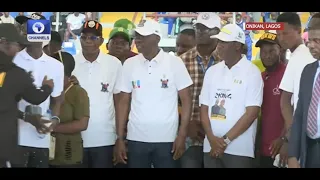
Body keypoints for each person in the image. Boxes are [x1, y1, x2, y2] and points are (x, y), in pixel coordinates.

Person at [115, 19, 193, 168]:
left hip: (167, 139)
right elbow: (123, 102)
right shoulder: (129, 64)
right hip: (136, 138)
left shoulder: (175, 63)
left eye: (142, 36)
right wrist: (119, 138)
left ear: (157, 38)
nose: (137, 40)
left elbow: (187, 101)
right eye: (136, 36)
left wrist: (182, 135)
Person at [200, 24, 263, 168]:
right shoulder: (212, 71)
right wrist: (211, 139)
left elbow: (252, 113)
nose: (219, 46)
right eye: (219, 42)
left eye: (224, 42)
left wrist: (224, 142)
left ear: (237, 46)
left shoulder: (252, 72)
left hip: (239, 150)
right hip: (210, 146)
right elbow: (204, 109)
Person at [13, 13, 64, 168]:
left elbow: (58, 99)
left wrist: (54, 120)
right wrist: (27, 118)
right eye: (26, 28)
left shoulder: (56, 66)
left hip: (41, 140)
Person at [0, 23, 55, 168]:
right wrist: (47, 87)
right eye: (16, 44)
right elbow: (36, 98)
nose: (19, 49)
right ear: (4, 42)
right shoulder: (15, 73)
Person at [72, 20, 122, 168]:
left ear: (101, 40)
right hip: (75, 137)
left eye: (93, 38)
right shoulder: (70, 64)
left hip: (105, 138)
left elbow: (119, 102)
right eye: (84, 37)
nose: (88, 41)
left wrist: (119, 137)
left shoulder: (114, 64)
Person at [179, 12, 221, 168]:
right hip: (191, 136)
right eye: (198, 27)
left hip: (220, 136)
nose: (200, 32)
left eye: (206, 29)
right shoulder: (181, 61)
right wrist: (186, 123)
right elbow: (173, 98)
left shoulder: (227, 60)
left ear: (218, 32)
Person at [276, 13, 316, 155]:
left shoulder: (300, 56)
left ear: (299, 30)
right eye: (278, 34)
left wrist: (289, 138)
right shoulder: (299, 55)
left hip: (303, 132)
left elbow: (285, 101)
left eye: (285, 33)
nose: (281, 38)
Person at [288, 13, 320, 168]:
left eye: (317, 41)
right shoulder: (308, 71)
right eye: (309, 40)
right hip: (310, 150)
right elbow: (299, 114)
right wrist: (293, 154)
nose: (311, 45)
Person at [49, 50, 90, 168]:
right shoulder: (47, 89)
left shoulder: (78, 92)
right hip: (46, 156)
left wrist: (51, 127)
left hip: (68, 156)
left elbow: (82, 124)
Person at [255, 32, 287, 168]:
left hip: (281, 147)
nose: (267, 56)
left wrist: (284, 139)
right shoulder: (259, 77)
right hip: (262, 148)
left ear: (280, 50)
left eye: (271, 51)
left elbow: (295, 110)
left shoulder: (287, 75)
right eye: (263, 51)